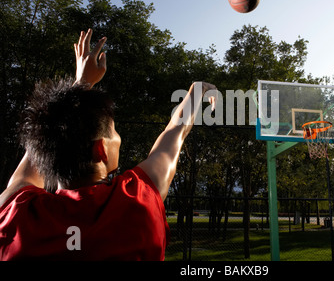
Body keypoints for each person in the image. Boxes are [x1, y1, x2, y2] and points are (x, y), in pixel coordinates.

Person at [0, 29, 217, 260]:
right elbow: (176, 132)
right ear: (101, 149)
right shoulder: (138, 202)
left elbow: (39, 147)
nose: (118, 137)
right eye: (113, 131)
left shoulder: (16, 216)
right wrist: (198, 90)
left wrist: (81, 84)